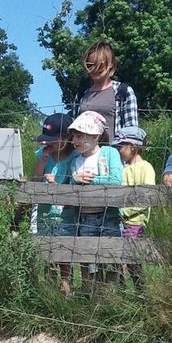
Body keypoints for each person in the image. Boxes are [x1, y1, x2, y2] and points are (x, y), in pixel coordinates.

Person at [63, 110, 124, 291]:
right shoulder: (75, 161)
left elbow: (116, 180)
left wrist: (92, 181)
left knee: (111, 257)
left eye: (80, 136)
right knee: (89, 259)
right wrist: (76, 180)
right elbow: (69, 183)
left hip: (108, 215)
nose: (75, 141)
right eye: (74, 137)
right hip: (85, 217)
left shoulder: (110, 153)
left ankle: (111, 294)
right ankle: (94, 294)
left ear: (96, 136)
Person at [33, 113, 78, 294]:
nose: (48, 143)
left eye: (53, 139)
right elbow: (35, 179)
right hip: (45, 213)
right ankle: (51, 289)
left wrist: (55, 186)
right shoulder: (44, 154)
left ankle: (66, 284)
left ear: (67, 137)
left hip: (64, 214)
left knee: (64, 251)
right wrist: (43, 160)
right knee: (47, 251)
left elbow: (73, 186)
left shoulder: (74, 157)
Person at [111, 126, 155, 289]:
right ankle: (120, 290)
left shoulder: (146, 168)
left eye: (120, 146)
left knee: (131, 259)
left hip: (135, 221)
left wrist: (124, 211)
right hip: (119, 220)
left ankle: (141, 290)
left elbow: (147, 197)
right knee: (117, 257)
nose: (118, 150)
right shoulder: (123, 168)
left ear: (133, 146)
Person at [73, 41, 138, 142]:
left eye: (100, 65)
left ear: (111, 64)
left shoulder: (123, 92)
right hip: (83, 155)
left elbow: (132, 132)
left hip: (113, 155)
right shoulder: (81, 95)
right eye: (90, 65)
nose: (95, 69)